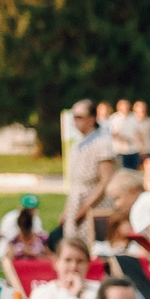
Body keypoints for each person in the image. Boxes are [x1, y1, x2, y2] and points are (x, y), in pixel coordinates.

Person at [60, 102, 118, 244]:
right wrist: (67, 210)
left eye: (79, 117)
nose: (75, 121)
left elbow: (106, 180)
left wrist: (85, 207)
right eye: (73, 117)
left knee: (92, 246)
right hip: (76, 202)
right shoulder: (76, 145)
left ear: (91, 118)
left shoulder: (102, 144)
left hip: (95, 206)